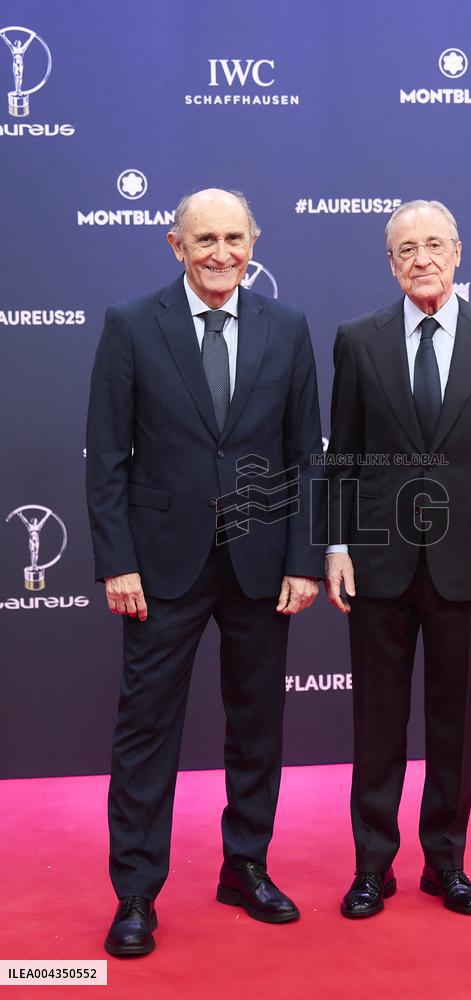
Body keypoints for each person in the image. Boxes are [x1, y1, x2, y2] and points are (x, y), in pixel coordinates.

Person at [86, 188, 323, 956]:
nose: (222, 253)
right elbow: (107, 456)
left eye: (234, 237)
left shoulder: (287, 329)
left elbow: (304, 457)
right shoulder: (131, 325)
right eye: (205, 239)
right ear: (174, 245)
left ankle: (246, 866)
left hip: (261, 562)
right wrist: (117, 561)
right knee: (146, 730)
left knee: (257, 726)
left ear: (254, 240)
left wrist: (303, 558)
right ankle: (134, 895)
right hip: (161, 565)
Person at [325, 200, 471, 919]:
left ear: (458, 251)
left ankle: (445, 864)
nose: (421, 259)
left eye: (434, 245)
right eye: (405, 249)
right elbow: (343, 456)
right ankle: (372, 867)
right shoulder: (358, 340)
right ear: (389, 262)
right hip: (380, 564)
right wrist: (335, 544)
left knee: (456, 723)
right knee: (377, 725)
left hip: (469, 564)